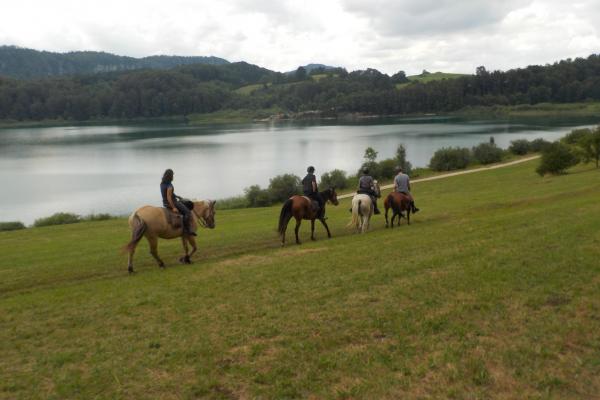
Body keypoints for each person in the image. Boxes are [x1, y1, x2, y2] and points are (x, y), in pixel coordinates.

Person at [160, 169, 196, 236]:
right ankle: (187, 229)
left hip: (165, 203)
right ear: (170, 176)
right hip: (172, 202)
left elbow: (166, 194)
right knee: (187, 212)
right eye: (173, 175)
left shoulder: (162, 183)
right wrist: (173, 207)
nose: (173, 176)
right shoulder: (169, 185)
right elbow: (169, 197)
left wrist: (177, 196)